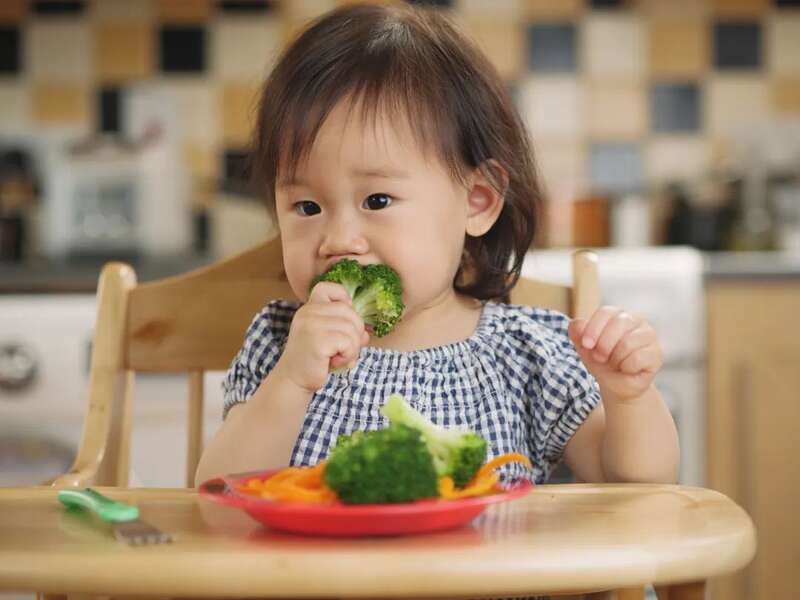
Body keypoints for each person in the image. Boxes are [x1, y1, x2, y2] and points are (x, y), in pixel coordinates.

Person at [194, 3, 679, 487]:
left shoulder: (528, 355)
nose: (337, 240)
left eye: (377, 200)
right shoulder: (281, 343)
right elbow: (220, 494)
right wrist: (291, 382)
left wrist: (629, 398)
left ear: (477, 201)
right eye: (307, 206)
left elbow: (635, 488)